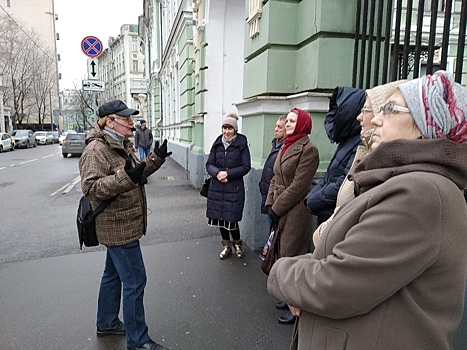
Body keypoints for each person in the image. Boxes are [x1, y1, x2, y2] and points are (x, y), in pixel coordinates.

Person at [267, 71, 467, 349]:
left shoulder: (419, 193)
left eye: (390, 109)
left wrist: (281, 272)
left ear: (424, 125)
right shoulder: (408, 182)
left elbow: (337, 285)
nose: (375, 118)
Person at [78, 100, 172, 350]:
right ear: (110, 122)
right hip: (117, 227)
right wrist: (123, 178)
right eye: (126, 118)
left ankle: (107, 321)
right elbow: (91, 188)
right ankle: (138, 341)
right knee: (135, 279)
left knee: (113, 275)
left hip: (124, 222)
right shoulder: (96, 149)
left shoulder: (120, 145)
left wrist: (156, 159)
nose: (132, 122)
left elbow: (136, 174)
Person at [311, 80, 405, 247]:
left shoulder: (385, 164)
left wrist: (314, 201)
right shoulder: (362, 147)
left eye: (366, 110)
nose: (360, 117)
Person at [265, 108, 319, 325]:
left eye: (292, 121)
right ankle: (287, 297)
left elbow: (299, 186)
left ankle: (296, 305)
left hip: (295, 211)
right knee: (280, 252)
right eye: (287, 120)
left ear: (303, 124)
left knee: (292, 256)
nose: (287, 124)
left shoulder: (309, 150)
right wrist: (270, 203)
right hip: (279, 206)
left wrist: (277, 208)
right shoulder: (285, 145)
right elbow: (274, 178)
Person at [305, 87, 365, 228]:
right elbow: (329, 177)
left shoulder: (360, 143)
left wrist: (313, 200)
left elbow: (344, 183)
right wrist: (311, 197)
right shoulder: (347, 140)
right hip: (327, 214)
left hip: (335, 217)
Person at [206, 113, 251, 259]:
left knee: (232, 219)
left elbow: (246, 166)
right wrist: (217, 173)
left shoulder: (241, 144)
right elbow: (209, 164)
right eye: (224, 128)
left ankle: (237, 244)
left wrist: (228, 174)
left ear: (235, 129)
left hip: (234, 188)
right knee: (220, 218)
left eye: (230, 128)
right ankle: (226, 246)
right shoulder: (217, 143)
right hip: (217, 188)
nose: (226, 132)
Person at [259, 114, 287, 223]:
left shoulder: (285, 147)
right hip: (269, 197)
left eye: (280, 127)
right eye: (276, 126)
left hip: (277, 199)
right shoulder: (276, 144)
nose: (275, 129)